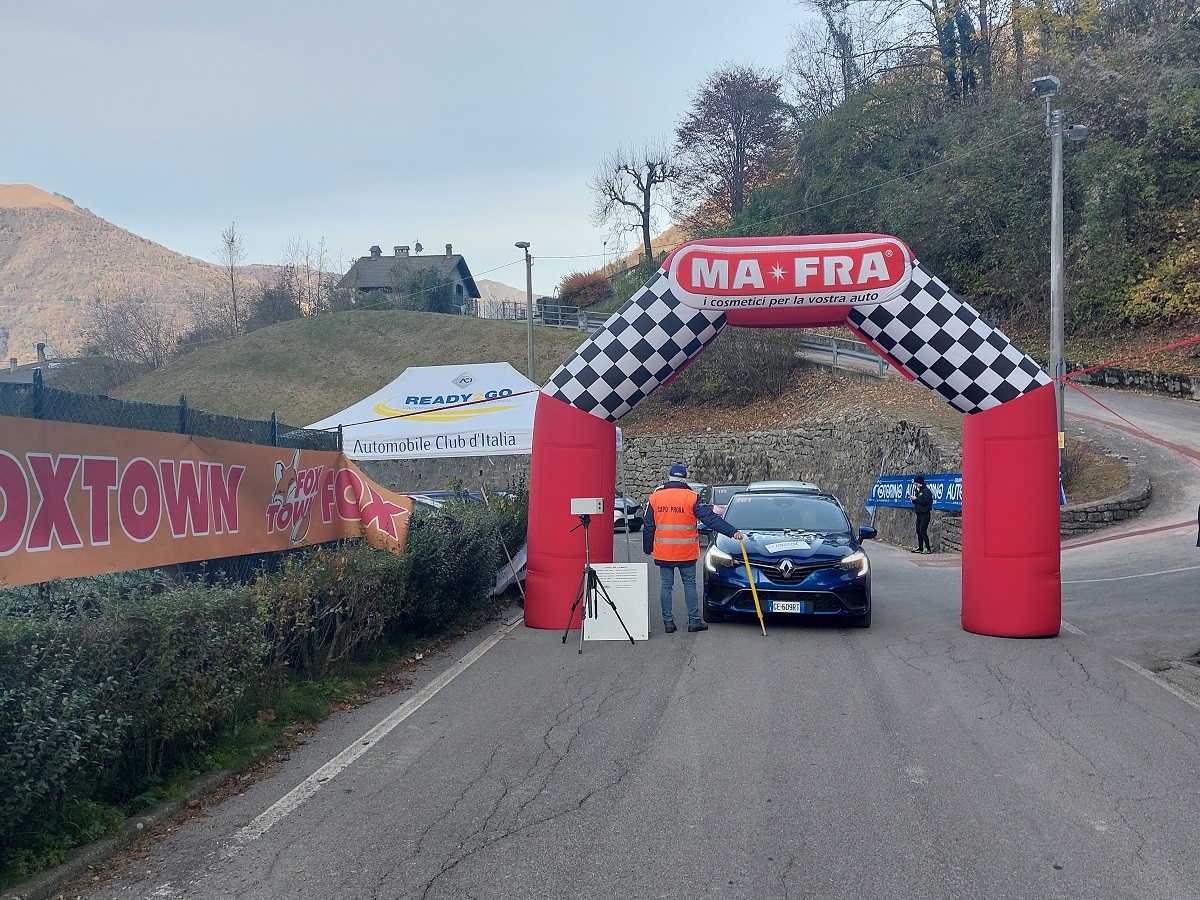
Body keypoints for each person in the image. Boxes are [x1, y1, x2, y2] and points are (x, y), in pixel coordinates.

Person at [643, 463, 743, 633]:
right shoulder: (692, 497)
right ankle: (694, 621)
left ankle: (668, 623)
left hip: (663, 552)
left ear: (669, 478)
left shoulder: (656, 498)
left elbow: (648, 525)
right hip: (685, 552)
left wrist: (647, 548)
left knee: (666, 586)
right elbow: (711, 519)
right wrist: (732, 532)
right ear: (684, 478)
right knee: (689, 585)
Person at [911, 475, 933, 554]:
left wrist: (917, 499)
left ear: (920, 483)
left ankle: (928, 548)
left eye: (916, 484)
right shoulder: (918, 491)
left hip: (925, 513)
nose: (915, 485)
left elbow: (926, 502)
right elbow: (917, 502)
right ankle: (920, 547)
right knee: (918, 530)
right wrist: (913, 500)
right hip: (919, 513)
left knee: (923, 531)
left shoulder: (926, 491)